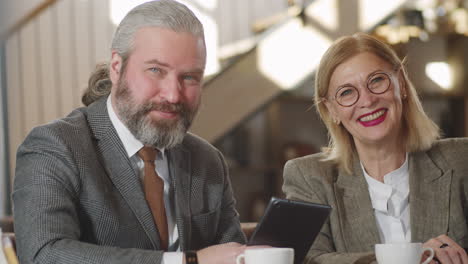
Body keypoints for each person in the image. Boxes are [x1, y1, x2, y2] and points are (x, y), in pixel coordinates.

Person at [12, 1, 248, 263]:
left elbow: (232, 254)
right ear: (116, 67)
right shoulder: (55, 147)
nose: (172, 94)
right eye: (156, 70)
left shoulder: (208, 161)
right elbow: (45, 255)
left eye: (190, 77)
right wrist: (188, 261)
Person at [282, 33, 468, 264]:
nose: (367, 101)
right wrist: (406, 259)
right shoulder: (308, 176)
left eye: (377, 80)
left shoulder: (461, 159)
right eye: (347, 92)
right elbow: (310, 259)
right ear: (332, 111)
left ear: (401, 82)